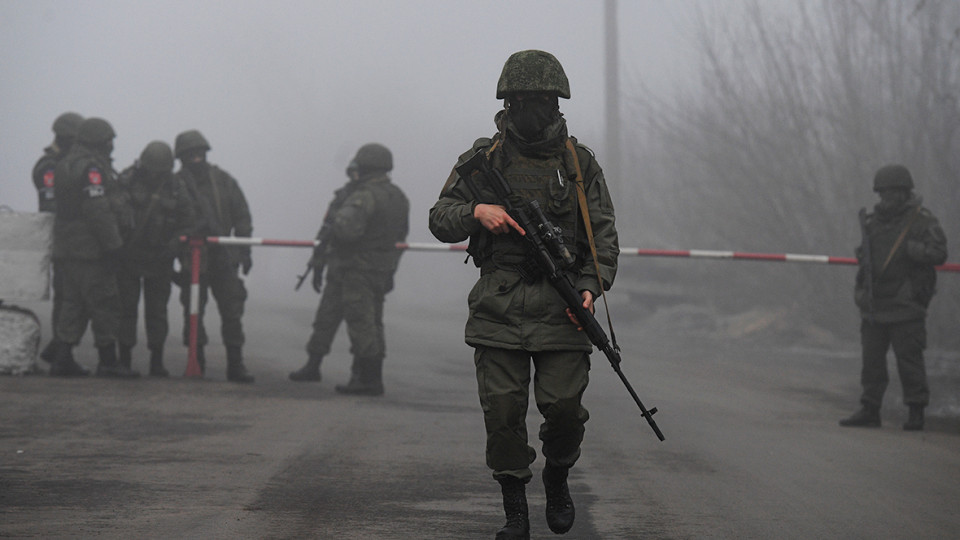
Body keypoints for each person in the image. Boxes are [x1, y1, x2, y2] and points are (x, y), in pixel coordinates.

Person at [428, 50, 619, 539]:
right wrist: (476, 212)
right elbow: (438, 218)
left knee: (565, 410)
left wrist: (588, 290)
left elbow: (601, 240)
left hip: (562, 305)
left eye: (545, 100)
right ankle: (515, 507)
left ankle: (557, 475)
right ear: (508, 103)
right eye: (526, 100)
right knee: (504, 414)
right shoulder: (483, 160)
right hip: (499, 303)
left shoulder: (579, 163)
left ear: (557, 103)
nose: (536, 109)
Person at [289, 143, 409, 396]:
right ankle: (320, 366)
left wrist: (337, 228)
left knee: (361, 323)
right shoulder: (397, 196)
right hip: (370, 268)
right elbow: (400, 238)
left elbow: (346, 231)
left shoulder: (364, 195)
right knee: (350, 319)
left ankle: (367, 379)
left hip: (355, 268)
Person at [840, 164, 947, 431]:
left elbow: (938, 253)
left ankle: (916, 411)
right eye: (884, 192)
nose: (888, 197)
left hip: (906, 305)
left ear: (904, 192)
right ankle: (870, 408)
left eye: (893, 191)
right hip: (876, 305)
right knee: (872, 362)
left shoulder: (922, 221)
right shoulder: (872, 223)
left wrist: (913, 250)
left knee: (909, 361)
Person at [48, 117, 139, 378]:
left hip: (69, 248)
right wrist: (113, 246)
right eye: (109, 141)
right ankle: (108, 362)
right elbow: (97, 210)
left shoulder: (66, 163)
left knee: (73, 304)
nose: (112, 146)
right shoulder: (91, 168)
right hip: (91, 250)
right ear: (100, 141)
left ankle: (63, 358)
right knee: (105, 303)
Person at [174, 129, 254, 383]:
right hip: (193, 259)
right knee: (193, 312)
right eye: (190, 154)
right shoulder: (176, 184)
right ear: (181, 157)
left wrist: (244, 251)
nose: (196, 158)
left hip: (224, 257)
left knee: (232, 311)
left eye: (200, 153)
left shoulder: (224, 181)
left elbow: (242, 216)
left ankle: (236, 364)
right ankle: (195, 361)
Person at [116, 141, 196, 377]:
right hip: (128, 257)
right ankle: (124, 360)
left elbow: (188, 222)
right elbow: (111, 214)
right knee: (125, 310)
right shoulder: (126, 181)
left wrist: (175, 244)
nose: (156, 175)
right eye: (154, 170)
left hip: (160, 259)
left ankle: (157, 361)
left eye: (161, 171)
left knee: (157, 311)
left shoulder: (175, 187)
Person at [33, 112, 84, 367]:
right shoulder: (49, 166)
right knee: (66, 296)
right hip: (62, 240)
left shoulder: (66, 163)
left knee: (74, 296)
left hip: (72, 240)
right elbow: (51, 205)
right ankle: (62, 352)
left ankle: (59, 347)